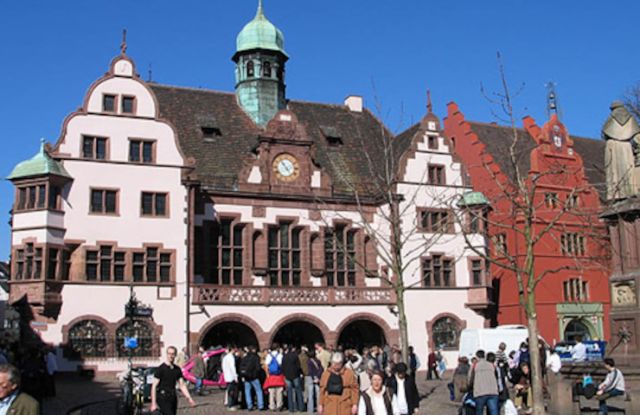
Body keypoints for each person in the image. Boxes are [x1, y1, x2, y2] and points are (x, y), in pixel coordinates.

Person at [151, 346, 196, 415]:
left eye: (172, 354)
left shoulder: (177, 369)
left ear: (175, 355)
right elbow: (154, 386)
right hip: (162, 397)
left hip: (173, 397)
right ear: (166, 354)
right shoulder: (161, 369)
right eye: (169, 354)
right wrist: (153, 404)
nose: (171, 356)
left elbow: (182, 385)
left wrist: (189, 398)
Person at [468, 350, 499, 415]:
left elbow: (470, 379)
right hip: (493, 391)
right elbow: (497, 377)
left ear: (477, 357)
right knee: (494, 412)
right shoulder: (491, 365)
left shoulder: (474, 366)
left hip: (480, 392)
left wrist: (469, 387)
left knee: (479, 411)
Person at [240, 345, 264, 411]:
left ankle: (249, 406)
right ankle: (260, 405)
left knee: (247, 391)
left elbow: (241, 367)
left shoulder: (245, 358)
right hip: (254, 377)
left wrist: (243, 375)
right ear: (254, 350)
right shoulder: (256, 357)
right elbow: (258, 368)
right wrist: (256, 374)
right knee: (258, 391)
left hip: (246, 377)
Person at [264, 344, 285, 411]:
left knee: (271, 392)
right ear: (277, 348)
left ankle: (272, 406)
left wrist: (267, 375)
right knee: (279, 391)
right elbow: (282, 365)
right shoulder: (280, 355)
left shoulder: (268, 356)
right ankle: (279, 405)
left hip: (271, 376)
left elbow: (266, 366)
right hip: (279, 375)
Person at [283, 345, 304, 412]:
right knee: (298, 391)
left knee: (289, 392)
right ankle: (301, 408)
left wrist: (285, 374)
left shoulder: (284, 356)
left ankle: (291, 408)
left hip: (287, 376)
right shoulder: (295, 356)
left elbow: (282, 366)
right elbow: (298, 366)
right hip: (295, 375)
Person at [307, 350, 324, 414]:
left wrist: (313, 378)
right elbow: (321, 369)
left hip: (311, 378)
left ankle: (310, 410)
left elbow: (310, 371)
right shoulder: (318, 361)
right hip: (317, 377)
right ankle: (319, 408)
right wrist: (318, 376)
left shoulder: (308, 362)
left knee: (310, 394)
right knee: (318, 394)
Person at [223, 345, 240, 410]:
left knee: (229, 391)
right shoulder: (231, 357)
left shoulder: (225, 357)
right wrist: (235, 377)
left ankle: (229, 403)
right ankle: (231, 405)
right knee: (232, 392)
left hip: (227, 376)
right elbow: (233, 368)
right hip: (231, 377)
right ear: (232, 350)